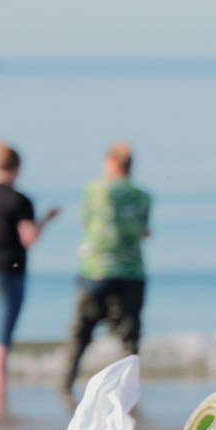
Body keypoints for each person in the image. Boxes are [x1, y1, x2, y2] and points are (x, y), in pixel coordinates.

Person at [0, 143, 60, 417]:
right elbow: (29, 239)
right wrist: (47, 220)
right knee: (0, 342)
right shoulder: (20, 200)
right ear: (17, 168)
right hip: (7, 273)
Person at [63, 141, 152, 400]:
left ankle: (66, 386)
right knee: (129, 339)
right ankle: (129, 390)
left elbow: (86, 222)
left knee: (81, 334)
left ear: (110, 162)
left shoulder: (93, 190)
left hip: (96, 270)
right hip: (131, 272)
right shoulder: (142, 196)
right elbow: (143, 231)